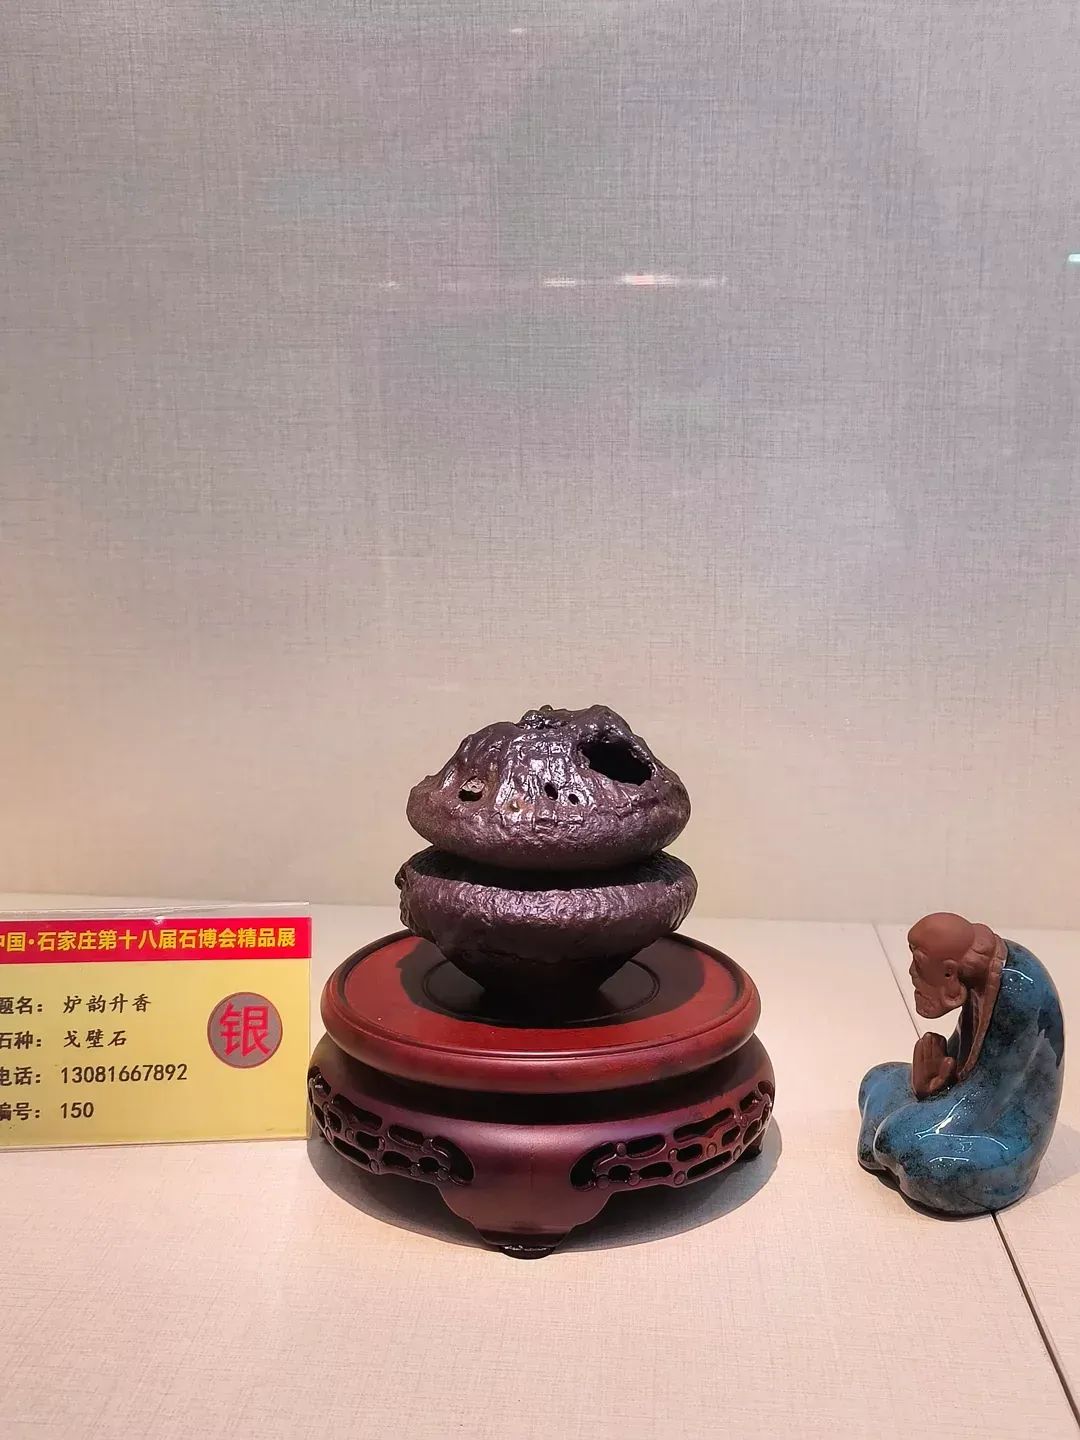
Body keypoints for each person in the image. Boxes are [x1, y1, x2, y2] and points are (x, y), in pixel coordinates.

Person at [858, 912, 1064, 1215]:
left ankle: (890, 1135)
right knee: (879, 1078)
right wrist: (931, 1083)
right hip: (968, 1100)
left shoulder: (1019, 995)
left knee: (919, 1161)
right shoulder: (981, 977)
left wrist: (912, 1118)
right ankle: (892, 1134)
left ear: (949, 973)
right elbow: (962, 1061)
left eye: (919, 964)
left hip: (1003, 1131)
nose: (912, 972)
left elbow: (987, 1096)